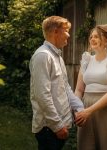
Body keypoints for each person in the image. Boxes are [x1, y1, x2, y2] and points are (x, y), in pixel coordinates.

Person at [29, 16, 84, 150]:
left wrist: (79, 108)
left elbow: (65, 88)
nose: (68, 34)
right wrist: (57, 126)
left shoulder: (56, 56)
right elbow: (42, 96)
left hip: (59, 126)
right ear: (55, 32)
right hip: (49, 129)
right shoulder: (43, 56)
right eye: (65, 30)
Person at [74, 24, 107, 150]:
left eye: (96, 36)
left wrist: (89, 111)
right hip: (85, 107)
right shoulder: (86, 60)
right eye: (91, 36)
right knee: (85, 145)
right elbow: (79, 89)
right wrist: (78, 109)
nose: (92, 39)